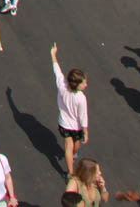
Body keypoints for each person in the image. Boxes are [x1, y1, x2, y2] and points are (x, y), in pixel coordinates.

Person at [51, 42, 89, 178]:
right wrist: (86, 132)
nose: (86, 84)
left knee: (68, 146)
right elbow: (83, 117)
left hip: (64, 124)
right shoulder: (81, 98)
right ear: (77, 84)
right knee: (74, 146)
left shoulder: (62, 86)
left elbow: (57, 71)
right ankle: (73, 158)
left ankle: (70, 173)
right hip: (76, 127)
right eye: (84, 83)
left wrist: (53, 55)